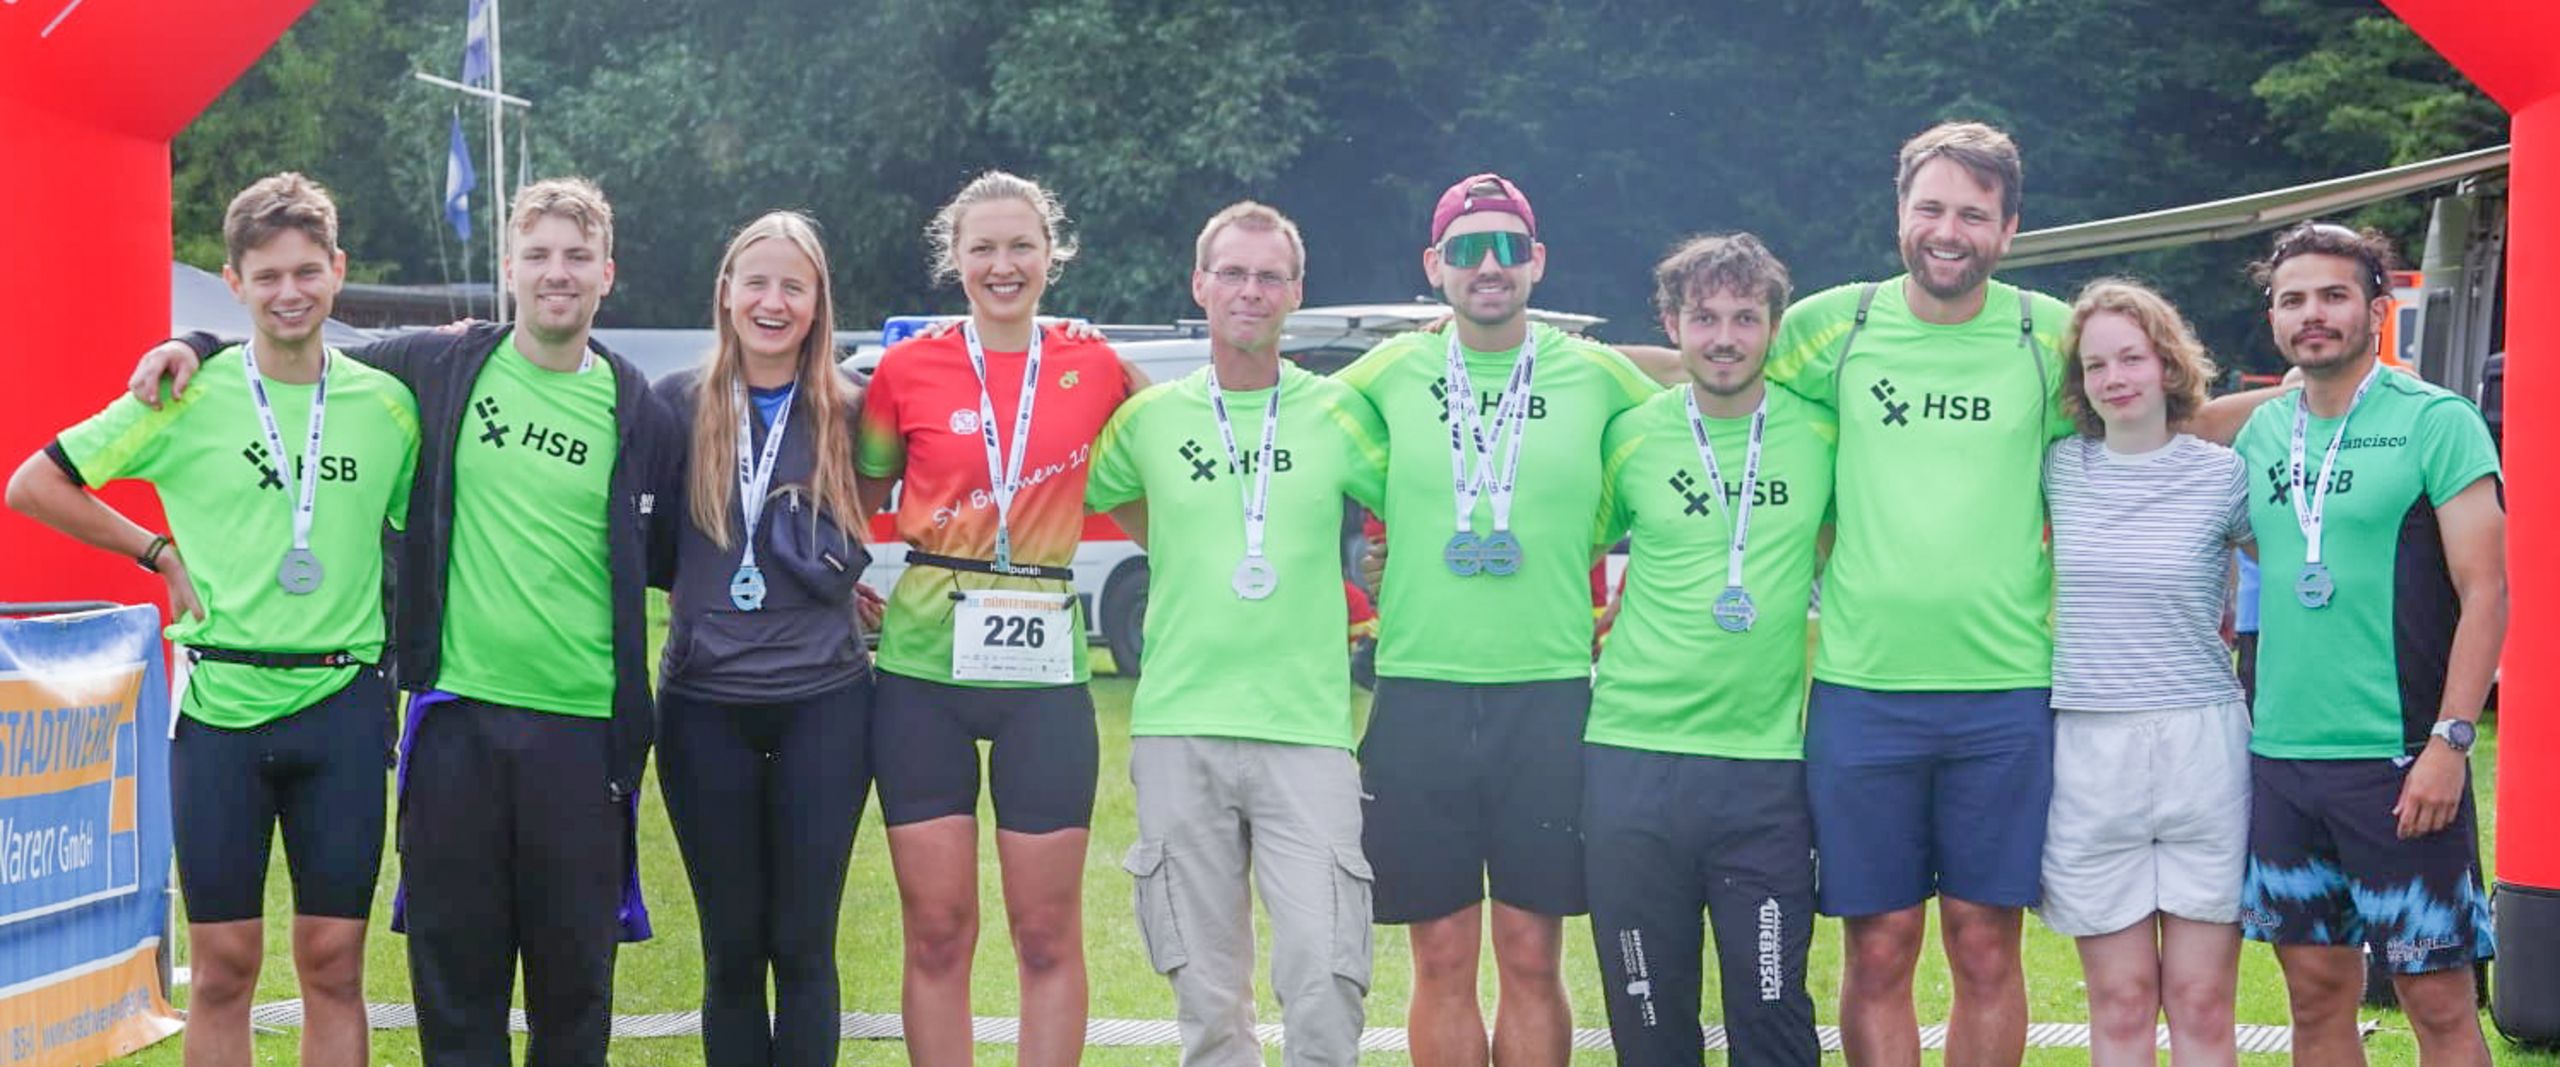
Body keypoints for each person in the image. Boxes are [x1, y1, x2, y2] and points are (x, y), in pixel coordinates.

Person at [128, 176, 680, 1067]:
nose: (557, 274)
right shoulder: (441, 362)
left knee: (574, 995)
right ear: (509, 268)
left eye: (577, 257)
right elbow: (297, 337)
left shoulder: (640, 407)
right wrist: (197, 339)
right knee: (454, 991)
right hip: (455, 722)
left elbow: (681, 549)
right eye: (537, 255)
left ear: (607, 273)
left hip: (583, 739)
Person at [7, 173, 415, 1067]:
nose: (290, 292)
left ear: (339, 271)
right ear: (233, 281)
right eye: (267, 276)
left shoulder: (390, 408)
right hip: (219, 710)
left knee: (335, 963)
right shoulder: (185, 393)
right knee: (225, 965)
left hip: (342, 704)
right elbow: (34, 484)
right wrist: (155, 551)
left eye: (307, 270)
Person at [1755, 121, 2070, 1067]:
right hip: (1862, 689)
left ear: (2008, 229)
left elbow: (2166, 403)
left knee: (1984, 941)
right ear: (1899, 213)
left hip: (2006, 691)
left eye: (1973, 214)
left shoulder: (2047, 333)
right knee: (1880, 942)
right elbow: (1717, 396)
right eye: (1930, 207)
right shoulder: (1827, 325)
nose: (1948, 230)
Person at [1333, 173, 1658, 1067]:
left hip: (1547, 697)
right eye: (1469, 248)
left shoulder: (1596, 373)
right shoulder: (1390, 369)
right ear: (1434, 264)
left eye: (1509, 247)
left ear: (1538, 262)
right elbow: (1286, 429)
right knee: (1440, 958)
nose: (1490, 264)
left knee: (1530, 954)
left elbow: (1696, 423)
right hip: (1420, 695)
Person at [1084, 201, 1388, 1066]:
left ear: (1295, 292)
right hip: (1181, 725)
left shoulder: (1341, 414)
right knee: (1209, 1006)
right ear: (1199, 284)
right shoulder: (1148, 422)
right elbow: (1089, 494)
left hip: (1308, 732)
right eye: (1232, 272)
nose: (1249, 290)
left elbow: (1411, 507)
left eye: (1268, 275)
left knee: (1326, 980)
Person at [854, 171, 1134, 1067]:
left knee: (1046, 932)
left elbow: (1157, 481)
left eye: (1021, 246)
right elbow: (857, 502)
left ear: (1052, 255)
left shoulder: (1100, 366)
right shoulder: (906, 369)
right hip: (922, 674)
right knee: (938, 930)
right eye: (983, 247)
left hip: (1046, 677)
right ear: (956, 259)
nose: (1002, 264)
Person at [2232, 222, 2504, 1067]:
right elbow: (2270, 552)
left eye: (2334, 296)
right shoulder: (2261, 436)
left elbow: (2488, 589)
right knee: (2315, 1001)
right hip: (2281, 764)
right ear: (2274, 317)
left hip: (2400, 761)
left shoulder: (2438, 421)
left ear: (2377, 309)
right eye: (2293, 299)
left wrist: (2451, 741)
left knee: (2437, 1003)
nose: (2313, 314)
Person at [1581, 233, 1831, 1067]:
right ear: (1672, 324)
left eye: (1744, 317)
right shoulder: (1629, 436)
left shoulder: (1823, 436)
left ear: (1772, 326)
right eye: (1704, 317)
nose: (1724, 336)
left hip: (1761, 770)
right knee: (1650, 1022)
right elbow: (1559, 549)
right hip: (1631, 761)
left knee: (1771, 1014)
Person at [650, 210, 873, 1067]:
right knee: (732, 948)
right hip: (705, 707)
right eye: (757, 282)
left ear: (818, 303)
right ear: (726, 294)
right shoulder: (673, 404)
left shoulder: (853, 408)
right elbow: (655, 545)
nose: (772, 301)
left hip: (825, 704)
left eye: (793, 285)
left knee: (805, 944)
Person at [2038, 279, 2252, 1067]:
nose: (2115, 377)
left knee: (2201, 1002)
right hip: (2092, 750)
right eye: (2096, 365)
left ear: (2166, 364)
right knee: (2122, 1004)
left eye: (2131, 357)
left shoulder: (2224, 478)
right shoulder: (2058, 468)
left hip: (2203, 745)